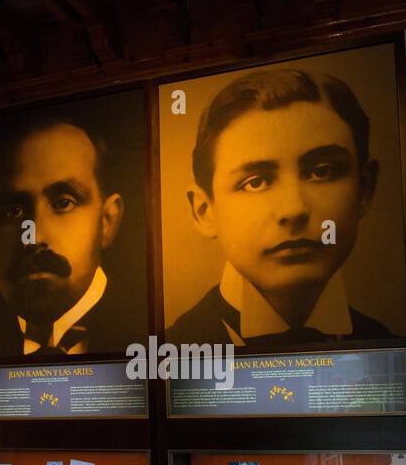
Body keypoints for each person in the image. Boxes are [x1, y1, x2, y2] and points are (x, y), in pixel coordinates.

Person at [166, 68, 393, 346]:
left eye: (322, 172)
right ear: (204, 211)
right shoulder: (169, 354)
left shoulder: (385, 342)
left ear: (364, 190)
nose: (293, 209)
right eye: (256, 182)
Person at [0, 116, 136, 358]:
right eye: (14, 211)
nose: (34, 236)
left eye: (63, 203)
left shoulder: (157, 338)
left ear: (107, 221)